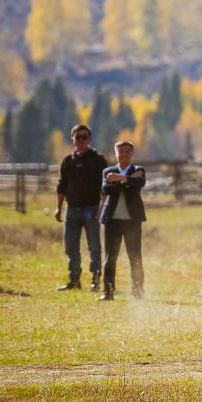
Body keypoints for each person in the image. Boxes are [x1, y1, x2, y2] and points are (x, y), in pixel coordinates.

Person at [53, 124, 108, 292]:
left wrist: (101, 208)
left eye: (84, 137)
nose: (81, 140)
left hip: (92, 208)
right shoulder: (67, 161)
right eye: (78, 137)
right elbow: (61, 186)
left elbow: (105, 186)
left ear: (89, 139)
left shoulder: (98, 160)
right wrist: (58, 208)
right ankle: (74, 279)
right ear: (73, 139)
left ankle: (96, 280)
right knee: (70, 246)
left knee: (94, 247)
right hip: (72, 209)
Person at [98, 140, 147, 301]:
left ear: (131, 154)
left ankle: (138, 290)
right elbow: (107, 189)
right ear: (116, 154)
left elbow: (139, 183)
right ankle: (108, 290)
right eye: (121, 152)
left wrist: (119, 179)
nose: (124, 155)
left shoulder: (139, 170)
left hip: (132, 221)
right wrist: (127, 180)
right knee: (110, 257)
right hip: (113, 221)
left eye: (127, 152)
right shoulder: (107, 171)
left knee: (135, 256)